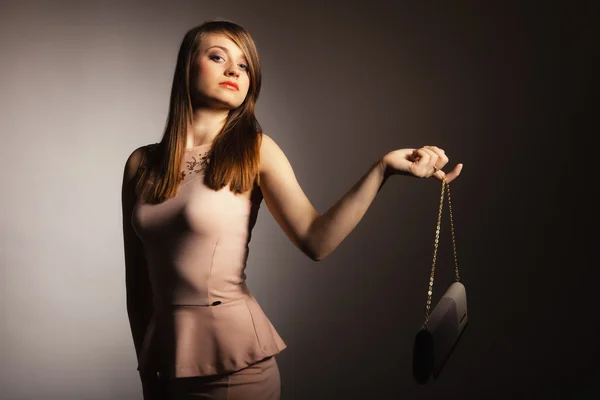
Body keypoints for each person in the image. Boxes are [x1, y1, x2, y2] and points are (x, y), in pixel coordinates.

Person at [121, 19, 463, 400]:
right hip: (164, 365)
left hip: (236, 370)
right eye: (218, 57)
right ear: (187, 66)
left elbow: (315, 240)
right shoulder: (141, 163)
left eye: (245, 65)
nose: (234, 69)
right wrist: (144, 365)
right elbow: (137, 284)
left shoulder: (256, 149)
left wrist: (382, 169)